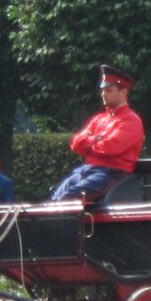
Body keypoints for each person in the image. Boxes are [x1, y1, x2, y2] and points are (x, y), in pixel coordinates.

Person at [51, 65, 145, 201]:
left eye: (109, 90)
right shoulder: (99, 119)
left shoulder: (131, 120)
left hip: (111, 173)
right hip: (87, 170)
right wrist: (97, 139)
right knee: (55, 197)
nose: (103, 94)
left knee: (68, 198)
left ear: (123, 92)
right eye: (102, 90)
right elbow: (75, 143)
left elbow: (110, 148)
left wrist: (89, 143)